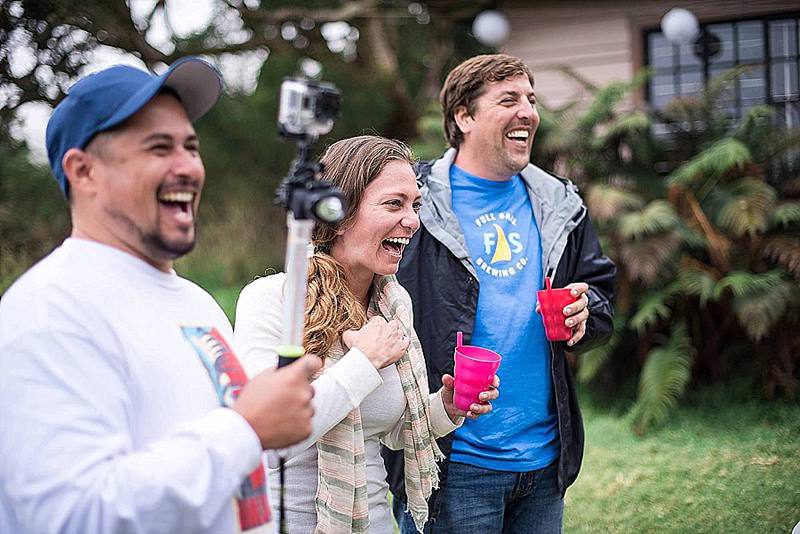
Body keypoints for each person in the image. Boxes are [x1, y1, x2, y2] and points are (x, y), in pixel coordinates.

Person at [0, 57, 320, 534]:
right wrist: (246, 428)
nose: (188, 167)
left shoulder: (196, 302)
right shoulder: (48, 309)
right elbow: (70, 518)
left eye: (191, 146)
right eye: (159, 148)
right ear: (83, 171)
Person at [384, 54, 616, 533]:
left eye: (531, 99)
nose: (528, 112)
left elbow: (600, 298)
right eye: (508, 100)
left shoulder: (560, 203)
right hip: (451, 461)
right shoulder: (414, 203)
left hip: (544, 462)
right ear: (464, 117)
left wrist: (585, 310)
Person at [234, 135, 500, 534]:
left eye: (415, 205)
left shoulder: (393, 304)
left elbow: (392, 430)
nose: (412, 221)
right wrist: (364, 363)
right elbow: (270, 438)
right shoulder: (273, 300)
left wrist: (447, 406)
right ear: (339, 215)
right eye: (394, 204)